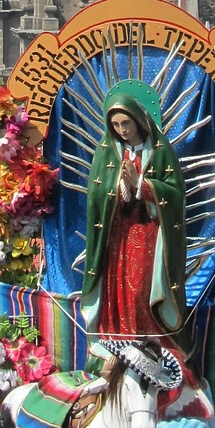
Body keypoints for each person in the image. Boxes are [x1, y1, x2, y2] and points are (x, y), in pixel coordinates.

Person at [81, 81, 189, 354]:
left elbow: (175, 194)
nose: (122, 130)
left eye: (126, 123)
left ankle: (152, 346)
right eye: (116, 125)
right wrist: (121, 186)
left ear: (139, 119)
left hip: (150, 233)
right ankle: (121, 346)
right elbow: (97, 195)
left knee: (141, 289)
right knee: (118, 292)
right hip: (117, 235)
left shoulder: (161, 150)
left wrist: (142, 185)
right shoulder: (108, 152)